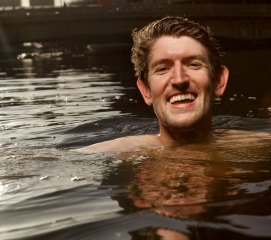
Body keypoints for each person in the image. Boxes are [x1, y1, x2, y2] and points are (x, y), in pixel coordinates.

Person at [78, 16, 229, 153]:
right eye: (163, 69)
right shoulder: (109, 153)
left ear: (219, 81)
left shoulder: (251, 146)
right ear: (146, 90)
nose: (179, 79)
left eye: (193, 64)